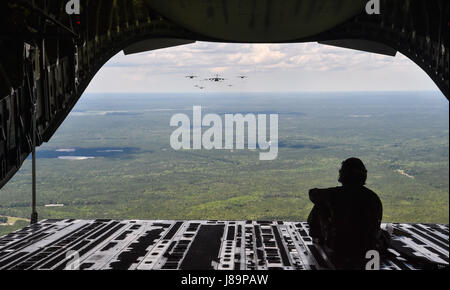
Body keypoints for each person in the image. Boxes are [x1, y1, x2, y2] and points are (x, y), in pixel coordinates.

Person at [307, 158, 383, 270]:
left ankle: (318, 238)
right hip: (366, 247)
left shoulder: (334, 194)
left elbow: (313, 194)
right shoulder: (373, 197)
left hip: (339, 246)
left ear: (345, 174)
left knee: (320, 204)